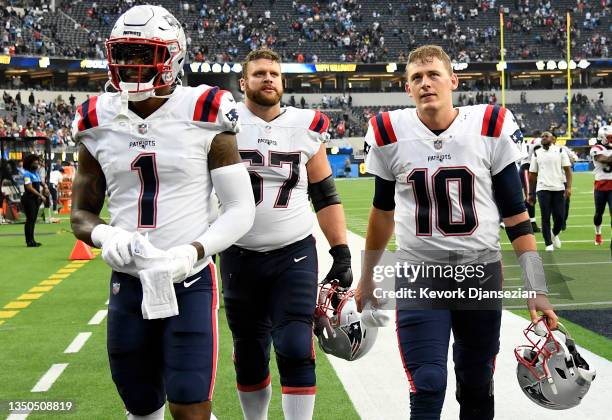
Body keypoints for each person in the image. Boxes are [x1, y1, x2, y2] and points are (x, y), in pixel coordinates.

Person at [70, 5, 255, 420]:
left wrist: (191, 252)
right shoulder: (96, 118)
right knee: (139, 404)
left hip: (188, 280)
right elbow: (80, 213)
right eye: (124, 54)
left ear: (173, 56)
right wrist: (107, 236)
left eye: (142, 53)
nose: (131, 65)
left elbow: (241, 209)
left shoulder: (205, 110)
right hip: (128, 280)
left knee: (189, 404)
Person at [355, 45, 557, 420]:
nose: (426, 83)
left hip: (479, 273)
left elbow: (516, 214)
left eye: (433, 74)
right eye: (417, 77)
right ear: (407, 88)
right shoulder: (387, 131)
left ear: (453, 80)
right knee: (428, 381)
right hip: (420, 274)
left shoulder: (490, 124)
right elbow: (382, 212)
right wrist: (366, 278)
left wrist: (537, 287)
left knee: (476, 382)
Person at [220, 48, 352, 420]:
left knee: (295, 345)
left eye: (274, 74)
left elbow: (325, 194)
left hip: (292, 254)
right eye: (259, 73)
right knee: (249, 353)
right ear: (243, 82)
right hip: (238, 254)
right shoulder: (222, 124)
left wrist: (341, 252)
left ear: (282, 82)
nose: (268, 79)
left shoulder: (305, 126)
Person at [528, 132, 572, 251]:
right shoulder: (537, 153)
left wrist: (568, 187)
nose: (543, 138)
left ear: (552, 139)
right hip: (543, 189)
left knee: (560, 218)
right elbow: (532, 174)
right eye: (542, 136)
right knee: (545, 216)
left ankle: (553, 234)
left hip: (558, 188)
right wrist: (531, 193)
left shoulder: (560, 151)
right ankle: (548, 244)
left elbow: (568, 170)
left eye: (546, 136)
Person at [590, 125, 612, 248]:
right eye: (609, 137)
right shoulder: (596, 148)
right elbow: (604, 159)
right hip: (601, 184)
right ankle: (598, 233)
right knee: (599, 213)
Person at [21, 154, 49, 247]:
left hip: (35, 199)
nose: (37, 164)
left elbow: (41, 183)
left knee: (33, 220)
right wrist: (41, 195)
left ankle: (32, 240)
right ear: (29, 164)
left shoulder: (35, 173)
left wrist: (45, 187)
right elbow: (29, 188)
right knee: (30, 219)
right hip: (29, 199)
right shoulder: (26, 174)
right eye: (35, 163)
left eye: (37, 163)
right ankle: (29, 241)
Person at [518, 137, 541, 232]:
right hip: (527, 168)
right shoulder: (538, 141)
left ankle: (514, 217)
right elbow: (537, 153)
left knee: (530, 196)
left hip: (529, 168)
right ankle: (532, 223)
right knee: (530, 196)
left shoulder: (530, 141)